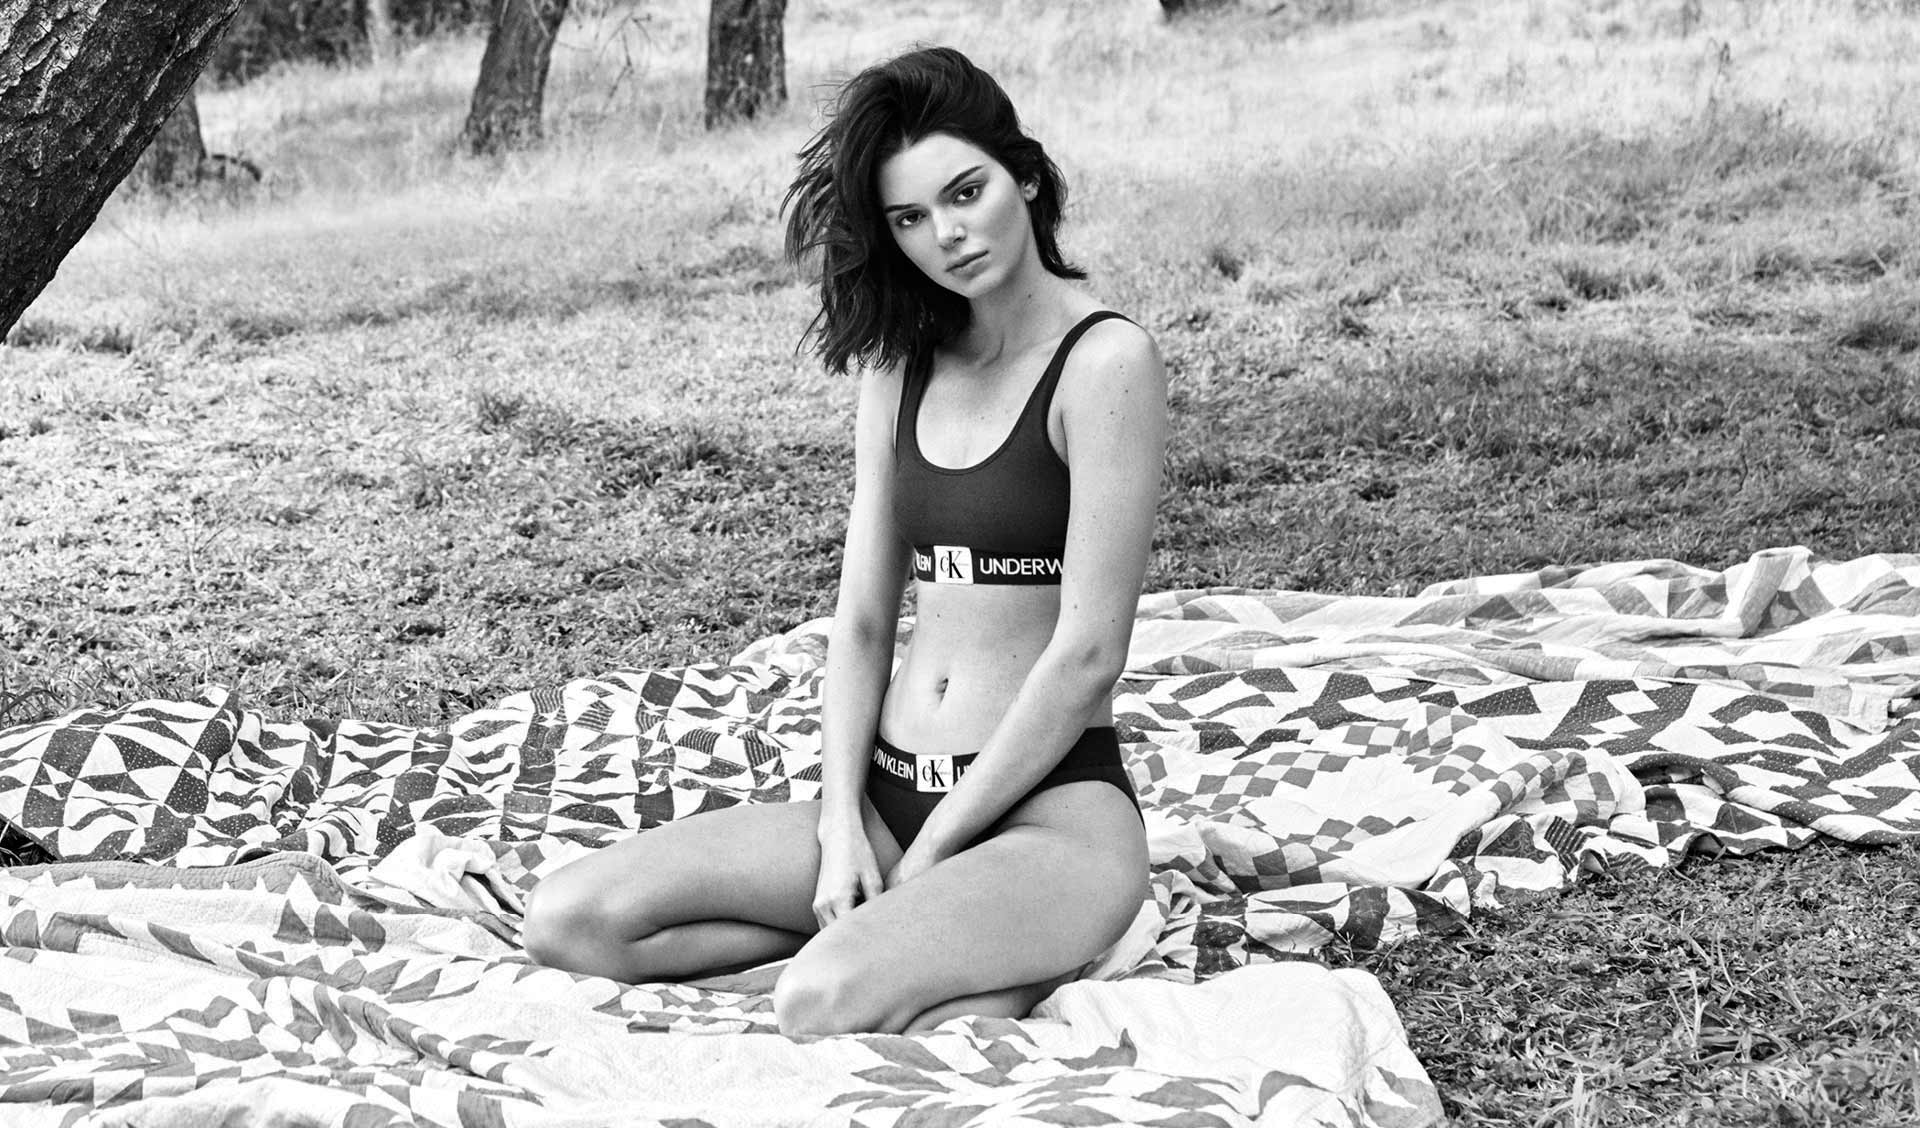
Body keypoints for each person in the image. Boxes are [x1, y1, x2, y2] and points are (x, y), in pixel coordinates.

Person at [519, 45, 1167, 1038]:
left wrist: (932, 855)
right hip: (887, 799)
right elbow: (861, 622)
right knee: (569, 922)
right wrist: (837, 828)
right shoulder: (899, 369)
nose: (948, 234)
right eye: (910, 218)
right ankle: (908, 958)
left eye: (967, 192)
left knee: (817, 1000)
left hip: (1048, 815)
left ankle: (961, 954)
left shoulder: (1106, 361)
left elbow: (1088, 655)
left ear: (1026, 177)